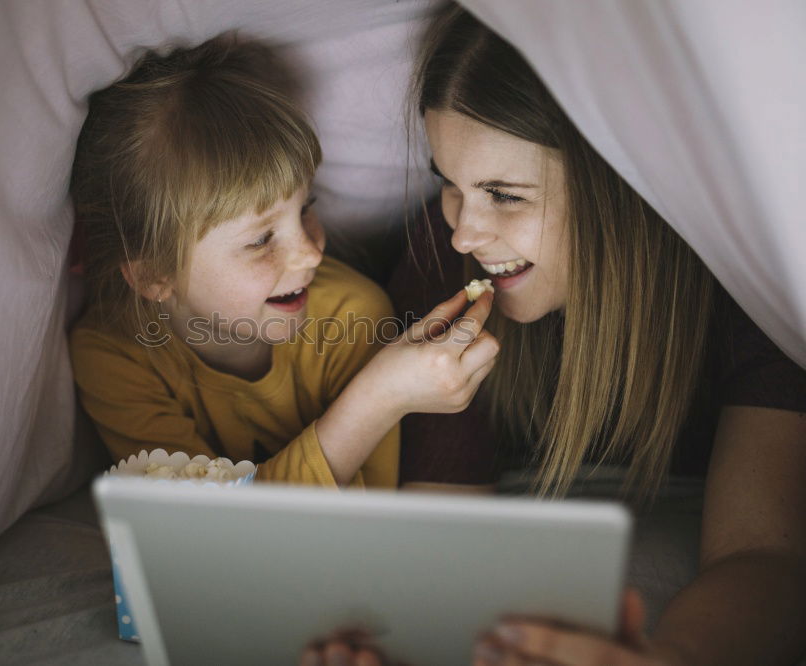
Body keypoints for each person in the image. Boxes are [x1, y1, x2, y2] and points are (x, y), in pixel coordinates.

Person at [304, 3, 806, 665]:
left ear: (618, 184)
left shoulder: (747, 280)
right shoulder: (440, 265)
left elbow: (764, 556)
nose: (464, 233)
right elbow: (444, 532)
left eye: (505, 194)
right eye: (449, 185)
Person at [68, 35, 499, 489]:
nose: (311, 251)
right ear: (155, 275)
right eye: (261, 240)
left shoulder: (353, 314)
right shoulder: (113, 355)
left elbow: (355, 524)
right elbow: (204, 533)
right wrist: (377, 397)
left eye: (306, 208)